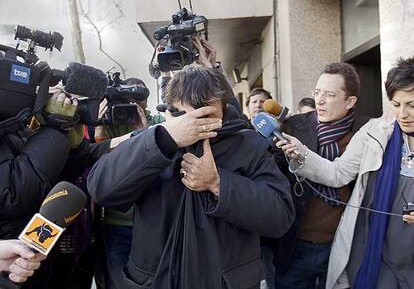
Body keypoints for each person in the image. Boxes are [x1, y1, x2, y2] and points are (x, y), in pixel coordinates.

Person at [87, 65, 295, 288]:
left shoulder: (248, 144)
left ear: (223, 106)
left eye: (206, 109)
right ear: (170, 109)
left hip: (223, 280)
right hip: (156, 279)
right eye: (185, 112)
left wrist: (218, 183)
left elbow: (280, 216)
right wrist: (164, 140)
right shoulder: (153, 140)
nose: (196, 119)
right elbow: (102, 189)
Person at [277, 57, 414, 289]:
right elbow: (338, 172)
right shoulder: (376, 132)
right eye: (396, 104)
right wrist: (301, 154)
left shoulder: (362, 126)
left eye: (412, 105)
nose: (403, 114)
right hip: (379, 249)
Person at [268, 62, 369, 289]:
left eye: (330, 94)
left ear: (350, 101)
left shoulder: (367, 132)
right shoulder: (294, 126)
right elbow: (272, 173)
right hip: (295, 244)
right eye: (317, 92)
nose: (320, 101)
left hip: (342, 245)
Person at [94, 78, 164, 289]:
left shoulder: (158, 120)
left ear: (146, 102)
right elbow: (99, 170)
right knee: (117, 281)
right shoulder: (109, 123)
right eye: (128, 100)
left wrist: (144, 131)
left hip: (151, 220)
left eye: (139, 101)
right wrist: (100, 137)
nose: (133, 106)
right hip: (116, 222)